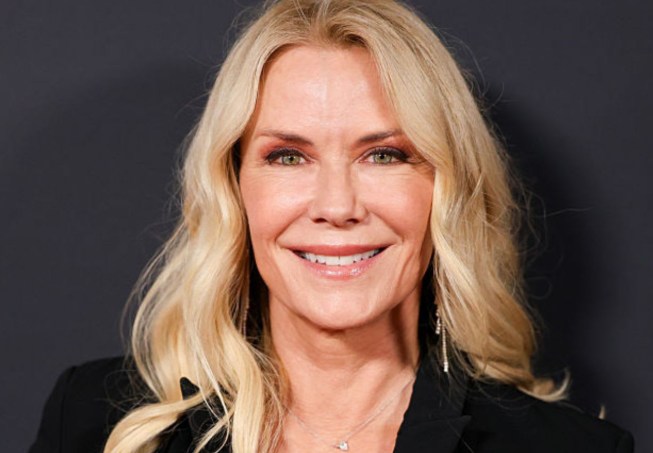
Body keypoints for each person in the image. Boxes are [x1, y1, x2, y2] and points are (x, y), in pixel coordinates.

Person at [29, 0, 634, 452]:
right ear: (234, 188)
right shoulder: (93, 422)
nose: (337, 205)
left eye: (385, 155)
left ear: (445, 189)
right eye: (289, 157)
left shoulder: (568, 448)